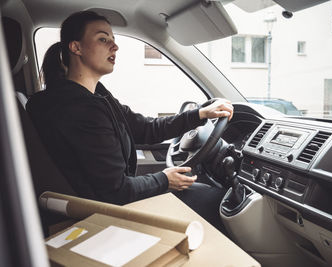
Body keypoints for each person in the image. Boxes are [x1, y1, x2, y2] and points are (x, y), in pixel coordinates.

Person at [26, 11, 233, 232]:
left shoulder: (97, 96)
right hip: (103, 213)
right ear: (76, 48)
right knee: (215, 200)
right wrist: (164, 179)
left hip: (110, 201)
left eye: (114, 41)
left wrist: (199, 115)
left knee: (203, 194)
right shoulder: (79, 109)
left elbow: (145, 129)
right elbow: (116, 191)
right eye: (103, 39)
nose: (115, 47)